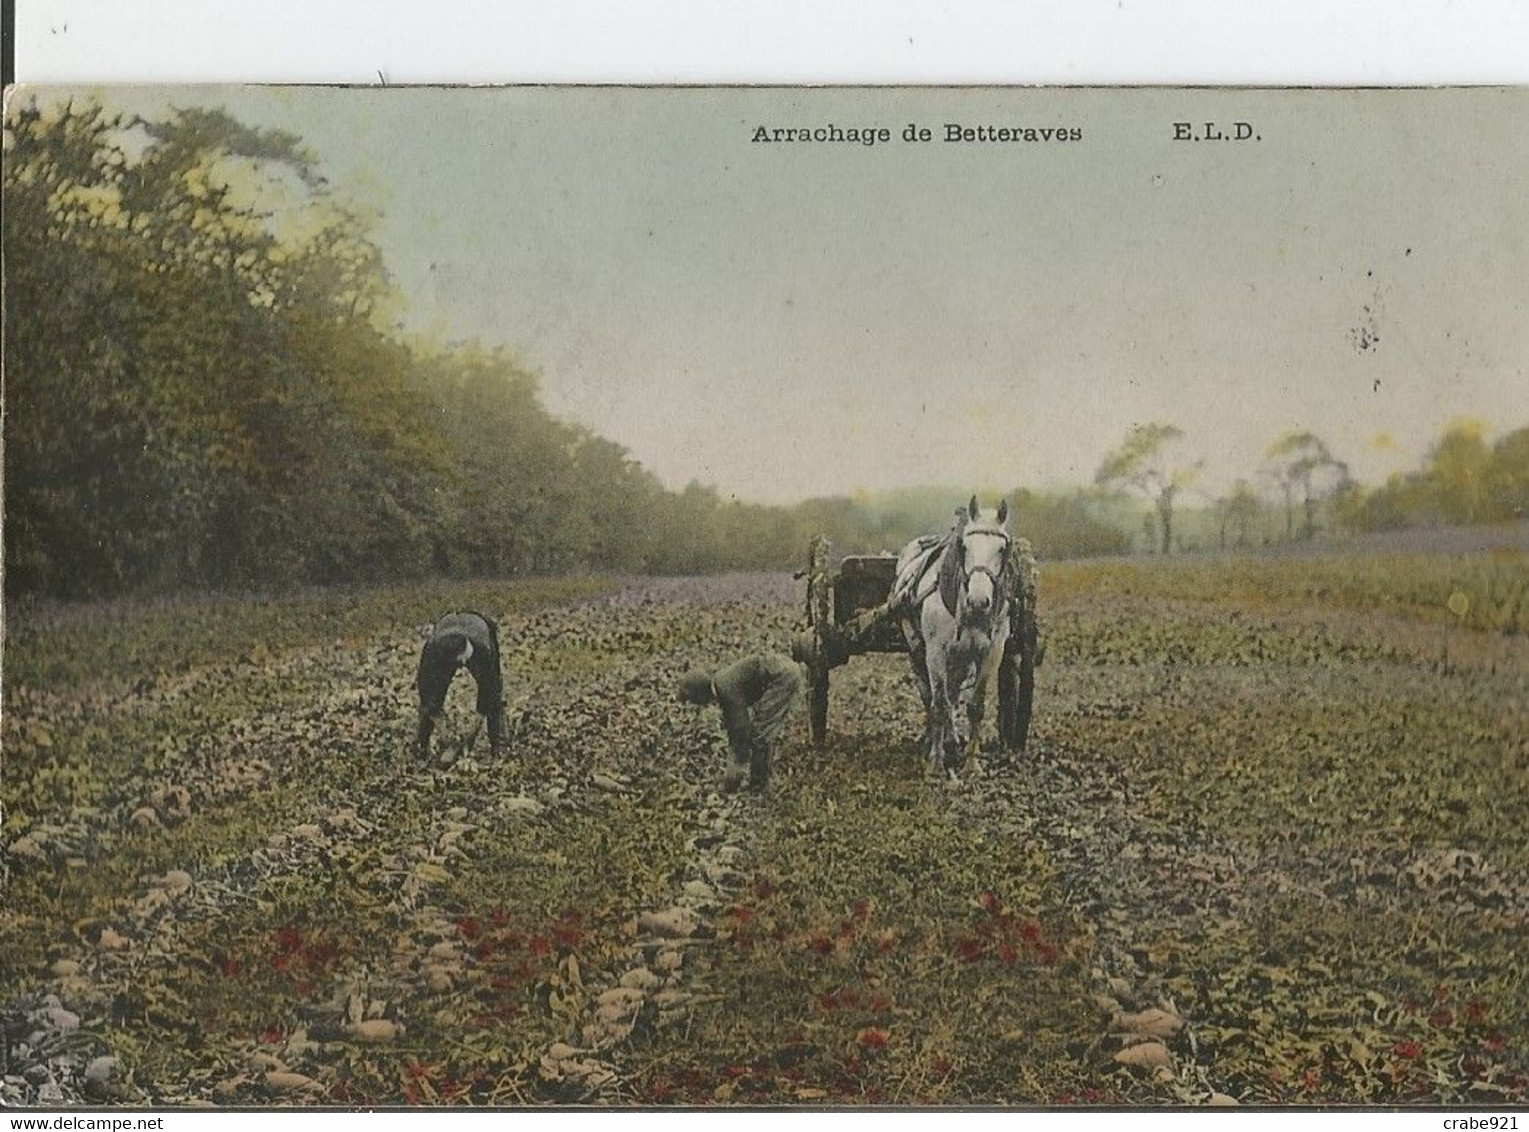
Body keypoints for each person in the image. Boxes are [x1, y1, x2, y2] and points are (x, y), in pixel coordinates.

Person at [678, 651, 804, 792]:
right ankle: (760, 781)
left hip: (781, 676)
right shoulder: (723, 684)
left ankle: (758, 787)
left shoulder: (726, 690)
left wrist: (733, 775)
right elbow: (736, 726)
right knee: (762, 730)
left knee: (760, 734)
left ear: (701, 695)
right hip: (781, 670)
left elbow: (740, 730)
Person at [416, 611, 506, 757]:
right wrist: (443, 729)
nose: (463, 665)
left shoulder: (484, 647)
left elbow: (490, 688)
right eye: (458, 662)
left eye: (464, 659)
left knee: (494, 696)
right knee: (433, 695)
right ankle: (421, 745)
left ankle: (499, 743)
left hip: (477, 626)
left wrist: (470, 735)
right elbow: (425, 691)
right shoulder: (433, 650)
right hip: (446, 628)